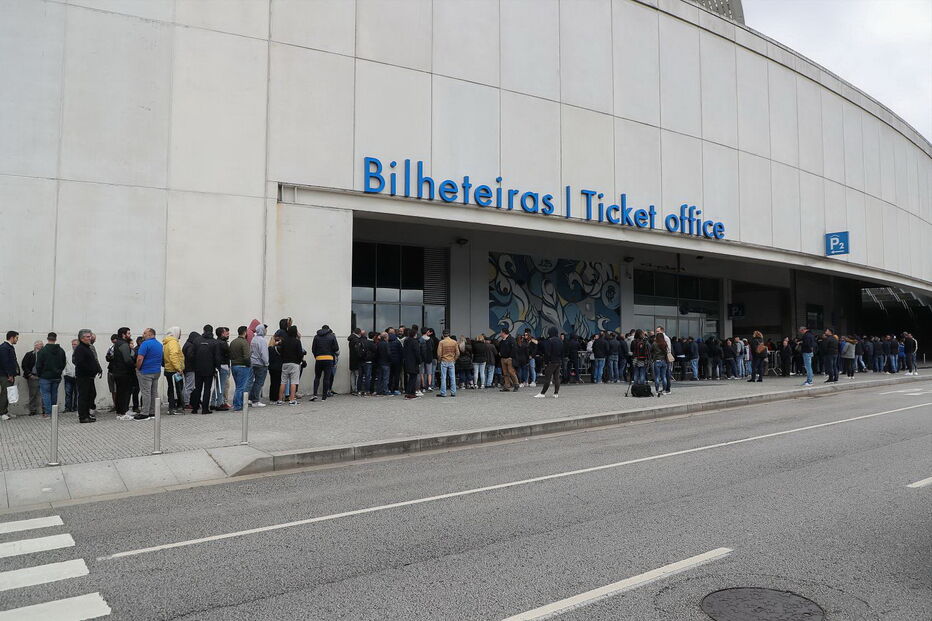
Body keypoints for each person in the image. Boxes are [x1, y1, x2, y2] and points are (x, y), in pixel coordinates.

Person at [35, 332, 66, 419]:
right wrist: (59, 372)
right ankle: (54, 413)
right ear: (55, 339)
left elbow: (38, 365)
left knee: (46, 394)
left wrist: (40, 374)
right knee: (54, 394)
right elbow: (64, 363)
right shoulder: (61, 351)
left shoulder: (43, 351)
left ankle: (48, 414)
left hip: (45, 376)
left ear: (47, 338)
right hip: (56, 376)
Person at [72, 329, 100, 423]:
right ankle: (83, 416)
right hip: (83, 376)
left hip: (89, 377)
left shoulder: (87, 347)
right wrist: (90, 369)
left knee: (90, 395)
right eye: (87, 337)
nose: (89, 338)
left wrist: (96, 369)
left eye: (90, 336)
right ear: (81, 338)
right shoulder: (80, 348)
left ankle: (87, 414)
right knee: (83, 396)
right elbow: (80, 363)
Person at [135, 328, 163, 420]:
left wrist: (138, 368)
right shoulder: (159, 344)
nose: (143, 335)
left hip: (145, 371)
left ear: (151, 334)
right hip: (156, 371)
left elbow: (140, 358)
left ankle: (144, 412)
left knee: (146, 392)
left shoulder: (145, 344)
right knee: (154, 392)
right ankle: (152, 411)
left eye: (145, 333)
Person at [190, 327, 218, 414]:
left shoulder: (196, 341)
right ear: (212, 331)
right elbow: (217, 357)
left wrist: (194, 365)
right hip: (209, 369)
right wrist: (217, 368)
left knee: (197, 388)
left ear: (203, 330)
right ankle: (205, 409)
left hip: (198, 369)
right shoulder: (214, 342)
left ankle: (195, 408)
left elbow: (191, 355)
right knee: (207, 389)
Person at [110, 328, 135, 419]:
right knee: (125, 392)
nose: (130, 335)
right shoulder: (124, 344)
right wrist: (134, 366)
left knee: (120, 392)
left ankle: (120, 411)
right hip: (124, 372)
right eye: (128, 333)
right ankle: (124, 411)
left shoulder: (117, 343)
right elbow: (127, 360)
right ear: (123, 335)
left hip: (118, 372)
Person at [310, 325, 339, 402]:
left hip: (319, 358)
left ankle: (315, 394)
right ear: (328, 329)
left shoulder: (316, 337)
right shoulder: (332, 336)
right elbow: (336, 348)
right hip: (329, 358)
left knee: (317, 377)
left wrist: (317, 356)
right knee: (326, 378)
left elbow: (313, 349)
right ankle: (324, 397)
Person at [534, 327, 563, 398]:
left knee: (547, 377)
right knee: (556, 378)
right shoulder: (560, 341)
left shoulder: (550, 341)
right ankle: (556, 393)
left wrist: (546, 362)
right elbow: (563, 352)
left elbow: (547, 352)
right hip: (558, 361)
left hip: (551, 361)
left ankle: (542, 393)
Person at [278, 325, 303, 405]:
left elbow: (281, 352)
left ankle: (280, 400)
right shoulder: (297, 342)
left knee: (283, 381)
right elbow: (300, 353)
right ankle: (292, 400)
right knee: (293, 382)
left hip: (285, 363)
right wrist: (299, 361)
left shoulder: (284, 341)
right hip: (294, 363)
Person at [162, 327, 185, 415]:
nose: (180, 335)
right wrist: (179, 368)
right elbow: (173, 355)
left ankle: (172, 407)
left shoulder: (168, 342)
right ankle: (175, 408)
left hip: (169, 369)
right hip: (174, 370)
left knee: (171, 389)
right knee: (177, 389)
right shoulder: (173, 342)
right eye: (179, 332)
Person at [229, 326, 252, 411]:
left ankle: (238, 403)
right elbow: (246, 356)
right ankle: (238, 405)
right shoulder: (244, 342)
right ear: (245, 332)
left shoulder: (233, 342)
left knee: (238, 386)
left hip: (234, 365)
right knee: (241, 387)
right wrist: (249, 365)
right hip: (242, 366)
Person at [211, 327, 231, 411]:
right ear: (222, 333)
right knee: (221, 386)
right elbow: (228, 354)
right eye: (226, 332)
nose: (228, 334)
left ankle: (213, 403)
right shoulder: (223, 343)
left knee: (217, 386)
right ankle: (219, 404)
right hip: (223, 366)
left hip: (216, 366)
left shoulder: (215, 342)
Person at [249, 324, 269, 406]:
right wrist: (266, 362)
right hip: (261, 364)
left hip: (253, 363)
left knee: (253, 382)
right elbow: (263, 353)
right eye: (265, 329)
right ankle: (255, 401)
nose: (266, 331)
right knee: (259, 383)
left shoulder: (254, 339)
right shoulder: (262, 340)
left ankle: (250, 399)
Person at [0, 331, 18, 421]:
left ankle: (5, 411)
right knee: (5, 393)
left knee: (8, 393)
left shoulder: (9, 347)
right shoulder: (4, 347)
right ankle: (2, 413)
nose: (17, 340)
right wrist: (9, 375)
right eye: (16, 338)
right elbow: (5, 362)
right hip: (5, 376)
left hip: (8, 375)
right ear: (11, 337)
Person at [20, 341, 42, 415]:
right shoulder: (29, 354)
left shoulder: (45, 355)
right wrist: (29, 374)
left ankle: (45, 410)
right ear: (35, 346)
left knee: (44, 394)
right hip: (33, 376)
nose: (42, 346)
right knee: (33, 394)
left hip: (42, 377)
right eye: (41, 345)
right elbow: (24, 365)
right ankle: (32, 410)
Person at [436, 330, 459, 397]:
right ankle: (453, 392)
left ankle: (443, 393)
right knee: (452, 377)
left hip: (444, 360)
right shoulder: (454, 342)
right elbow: (458, 353)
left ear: (443, 335)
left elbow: (439, 353)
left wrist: (440, 360)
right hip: (451, 361)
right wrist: (454, 359)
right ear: (449, 334)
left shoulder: (441, 342)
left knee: (443, 377)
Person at [402, 328, 422, 399]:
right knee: (413, 378)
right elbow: (417, 353)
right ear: (414, 334)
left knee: (411, 377)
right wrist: (419, 361)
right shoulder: (415, 342)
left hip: (407, 362)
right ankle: (409, 393)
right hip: (414, 362)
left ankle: (412, 393)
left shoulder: (406, 341)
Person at [182, 331, 200, 409]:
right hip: (190, 368)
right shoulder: (191, 346)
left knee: (187, 385)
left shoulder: (186, 344)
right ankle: (186, 402)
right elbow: (190, 356)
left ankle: (185, 401)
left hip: (187, 368)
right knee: (190, 386)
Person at [497, 328, 519, 392]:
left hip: (509, 359)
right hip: (503, 358)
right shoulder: (502, 341)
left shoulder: (511, 340)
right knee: (505, 373)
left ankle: (516, 384)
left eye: (501, 332)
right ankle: (507, 386)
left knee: (511, 372)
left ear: (504, 333)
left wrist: (511, 357)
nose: (500, 334)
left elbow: (514, 349)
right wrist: (500, 353)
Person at [62, 339, 78, 413]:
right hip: (68, 376)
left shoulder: (81, 353)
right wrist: (64, 373)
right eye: (73, 344)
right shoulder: (67, 353)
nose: (74, 346)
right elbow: (63, 364)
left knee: (78, 393)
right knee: (68, 393)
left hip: (78, 377)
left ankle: (76, 408)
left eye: (75, 344)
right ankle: (68, 408)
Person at [267, 334, 283, 403]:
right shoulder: (280, 349)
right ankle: (276, 398)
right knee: (278, 383)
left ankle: (271, 398)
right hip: (278, 367)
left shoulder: (270, 348)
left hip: (271, 368)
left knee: (272, 383)